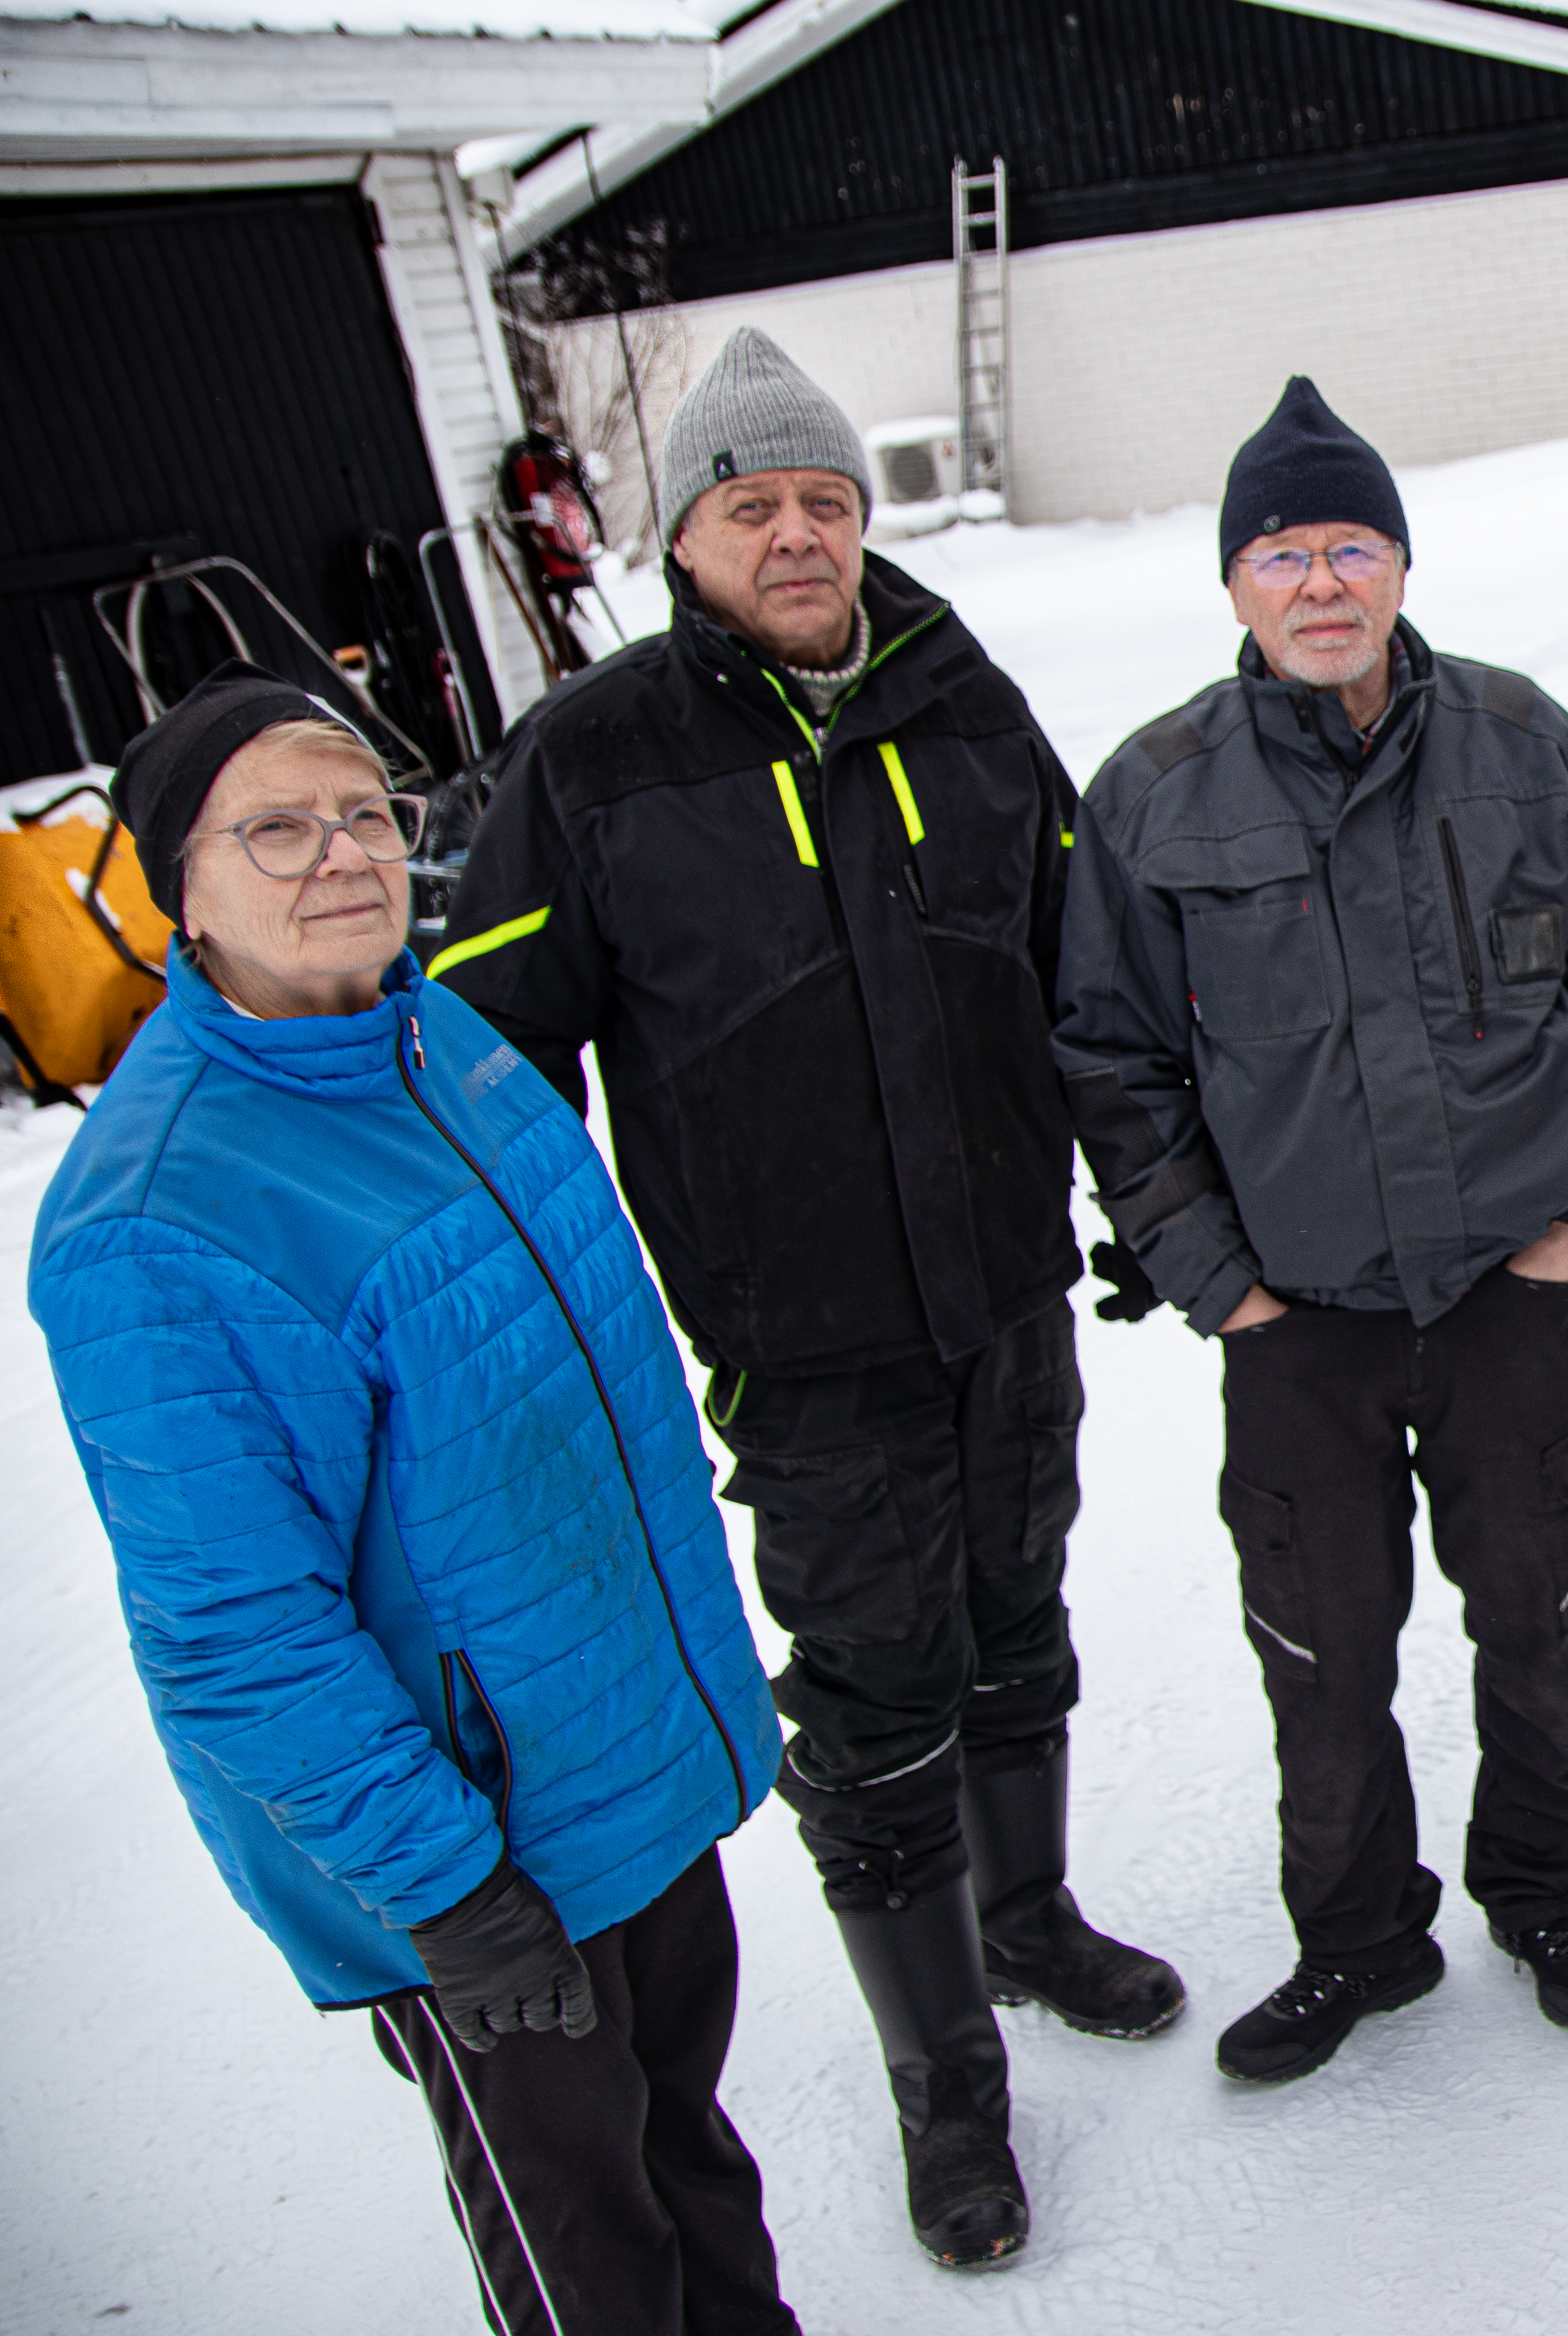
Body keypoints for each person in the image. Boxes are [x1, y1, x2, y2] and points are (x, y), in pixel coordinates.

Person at [433, 327, 1179, 2270]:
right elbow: (498, 1077)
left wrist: (1140, 1202)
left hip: (1008, 1296)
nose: (794, 535)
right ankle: (950, 2096)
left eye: (823, 502)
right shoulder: (594, 760)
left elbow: (1081, 981)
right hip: (805, 1345)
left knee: (1024, 1619)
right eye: (750, 507)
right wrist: (575, 1334)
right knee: (873, 1694)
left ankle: (1030, 1928)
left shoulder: (966, 703)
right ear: (682, 540)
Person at [28, 668, 796, 2334]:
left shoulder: (432, 1033)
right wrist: (451, 1897)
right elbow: (239, 1637)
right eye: (277, 829)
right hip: (477, 1851)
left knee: (691, 2158)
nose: (343, 855)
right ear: (176, 884)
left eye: (367, 813)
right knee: (590, 2255)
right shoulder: (159, 1222)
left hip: (620, 1764)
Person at [1053, 377, 1568, 2082]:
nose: (1320, 583)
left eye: (1349, 546)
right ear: (1236, 585)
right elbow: (1106, 1056)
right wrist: (1215, 1282)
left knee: (1536, 1624)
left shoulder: (1527, 745)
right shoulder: (1155, 793)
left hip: (1505, 1295)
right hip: (1296, 1319)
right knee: (1322, 1661)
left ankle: (1547, 1896)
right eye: (1279, 553)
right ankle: (1360, 1941)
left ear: (1397, 561)